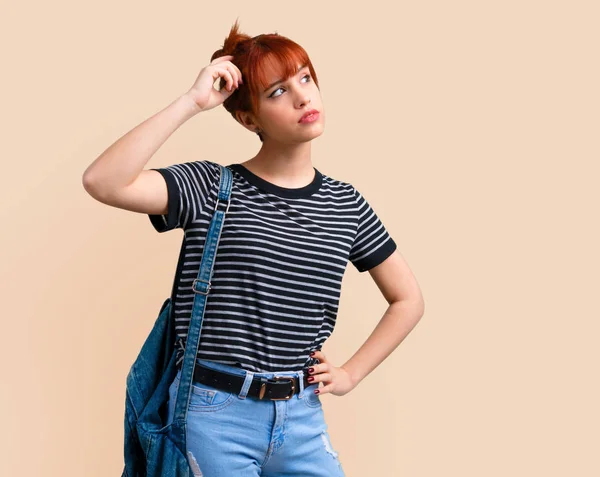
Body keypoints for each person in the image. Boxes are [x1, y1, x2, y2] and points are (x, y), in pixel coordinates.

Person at [83, 19, 424, 477]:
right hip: (214, 414)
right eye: (278, 91)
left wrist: (350, 374)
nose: (304, 96)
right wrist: (191, 103)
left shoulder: (346, 205)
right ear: (248, 118)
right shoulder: (213, 187)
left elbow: (409, 300)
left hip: (301, 415)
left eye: (306, 78)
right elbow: (103, 181)